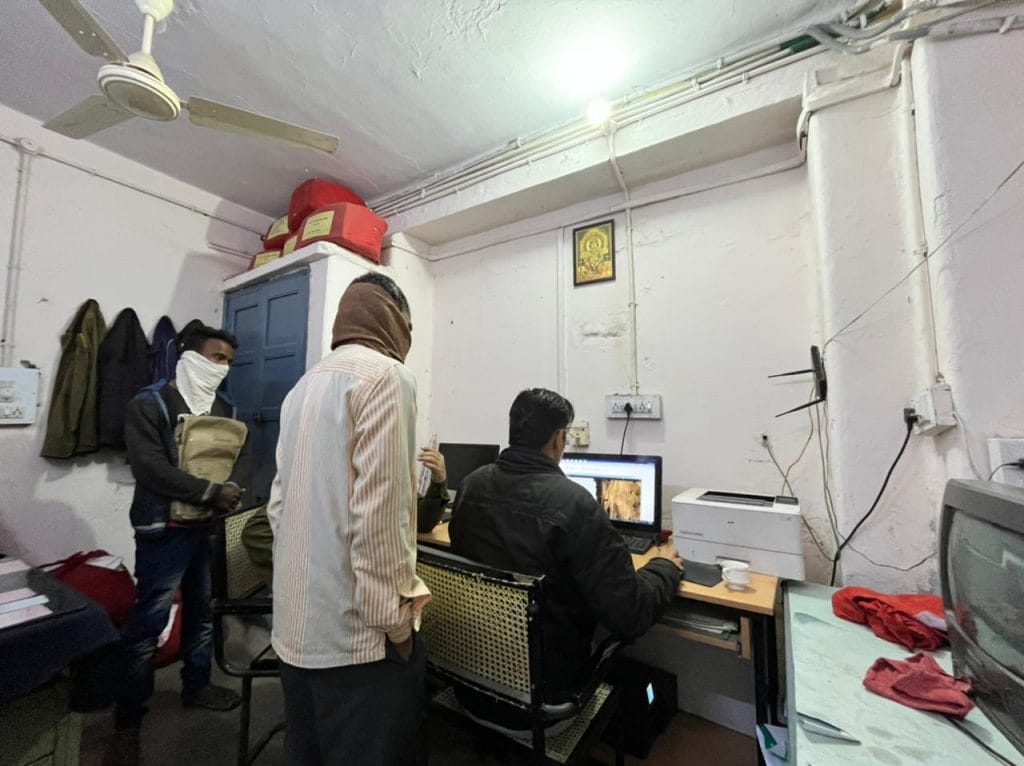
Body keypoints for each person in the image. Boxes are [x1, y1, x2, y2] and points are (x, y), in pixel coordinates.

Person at [449, 388, 684, 731]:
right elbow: (630, 615)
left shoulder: (471, 484)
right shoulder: (575, 504)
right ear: (560, 438)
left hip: (471, 686)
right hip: (544, 706)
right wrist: (664, 565)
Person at [268, 272, 429, 766]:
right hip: (357, 639)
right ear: (396, 320)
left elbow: (278, 506)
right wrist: (396, 626)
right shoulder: (386, 377)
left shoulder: (302, 386)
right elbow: (381, 518)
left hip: (296, 629)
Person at [106, 326, 247, 764]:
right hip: (162, 529)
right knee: (149, 622)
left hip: (202, 527)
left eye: (228, 361)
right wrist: (210, 491)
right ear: (188, 356)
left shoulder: (223, 407)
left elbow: (225, 460)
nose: (221, 368)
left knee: (203, 612)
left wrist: (225, 490)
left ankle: (197, 685)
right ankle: (128, 719)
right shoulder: (149, 404)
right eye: (215, 357)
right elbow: (150, 469)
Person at [240, 447, 448, 589]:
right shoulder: (317, 479)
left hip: (374, 595)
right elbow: (256, 533)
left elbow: (422, 523)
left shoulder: (387, 475)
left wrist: (439, 481)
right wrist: (321, 575)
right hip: (328, 602)